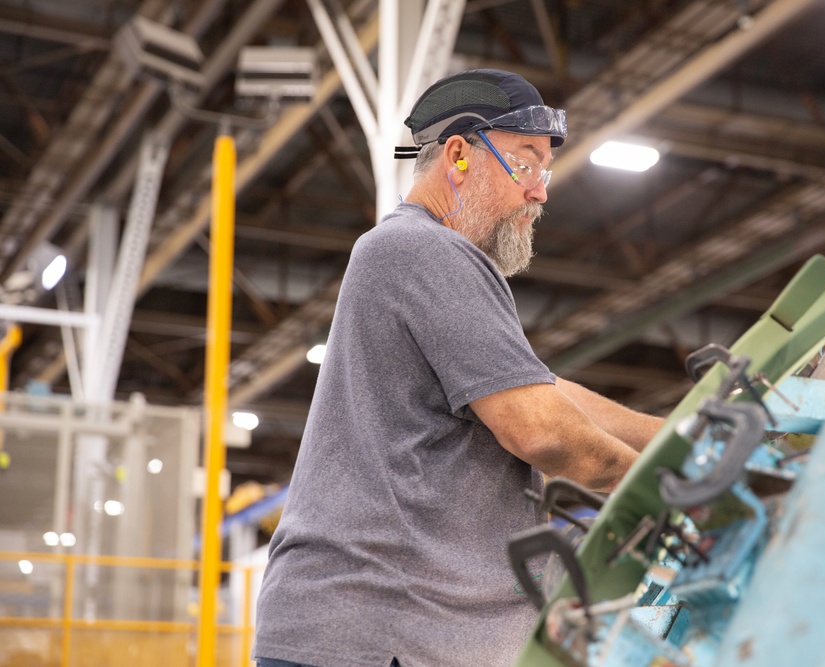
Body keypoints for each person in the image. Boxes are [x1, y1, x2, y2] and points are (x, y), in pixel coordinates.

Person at [254, 69, 664, 667]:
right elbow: (540, 429)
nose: (540, 191)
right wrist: (670, 491)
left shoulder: (416, 255)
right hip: (380, 632)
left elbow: (546, 393)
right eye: (526, 162)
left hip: (376, 630)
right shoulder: (424, 249)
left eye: (544, 170)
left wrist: (679, 434)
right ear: (459, 155)